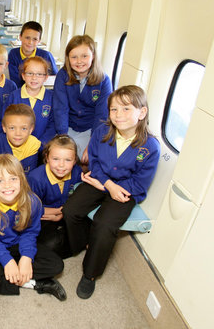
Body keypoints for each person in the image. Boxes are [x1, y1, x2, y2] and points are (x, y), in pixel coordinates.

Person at [63, 85, 160, 299]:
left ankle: (90, 274)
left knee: (104, 224)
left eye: (126, 109)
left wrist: (111, 187)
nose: (118, 115)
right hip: (101, 180)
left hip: (126, 191)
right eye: (114, 109)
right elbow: (95, 164)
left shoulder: (150, 146)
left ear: (142, 113)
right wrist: (106, 183)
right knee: (70, 210)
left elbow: (140, 184)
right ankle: (81, 244)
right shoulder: (102, 132)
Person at [0, 154, 66, 302]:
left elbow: (30, 232)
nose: (7, 185)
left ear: (21, 179)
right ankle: (33, 283)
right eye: (0, 180)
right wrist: (7, 261)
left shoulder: (33, 202)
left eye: (13, 179)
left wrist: (26, 258)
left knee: (56, 265)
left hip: (18, 242)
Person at [53, 35, 112, 163]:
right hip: (66, 126)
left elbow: (102, 115)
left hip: (90, 129)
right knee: (60, 156)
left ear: (93, 56)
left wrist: (93, 143)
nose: (79, 61)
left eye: (84, 56)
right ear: (68, 59)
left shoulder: (103, 80)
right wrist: (63, 138)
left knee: (88, 158)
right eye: (74, 57)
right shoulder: (62, 76)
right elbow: (60, 108)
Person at [28, 134, 82, 258]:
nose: (61, 165)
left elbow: (80, 199)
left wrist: (63, 213)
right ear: (47, 158)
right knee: (50, 245)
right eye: (56, 159)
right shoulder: (35, 178)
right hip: (44, 217)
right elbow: (30, 209)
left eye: (68, 160)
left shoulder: (77, 172)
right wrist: (56, 213)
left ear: (74, 161)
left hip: (68, 213)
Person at [5, 56, 56, 145]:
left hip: (41, 147)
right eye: (30, 73)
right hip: (16, 146)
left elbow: (52, 125)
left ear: (46, 77)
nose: (34, 78)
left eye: (39, 74)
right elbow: (4, 120)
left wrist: (40, 144)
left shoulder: (51, 98)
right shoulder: (14, 96)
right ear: (23, 76)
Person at [0, 104, 40, 175]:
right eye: (12, 128)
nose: (18, 133)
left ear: (31, 129)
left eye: (23, 128)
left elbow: (30, 176)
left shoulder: (33, 144)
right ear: (4, 128)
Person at [7, 21, 59, 87]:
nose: (30, 42)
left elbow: (54, 79)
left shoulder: (46, 56)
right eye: (27, 38)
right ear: (20, 37)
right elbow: (15, 81)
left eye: (35, 39)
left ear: (39, 41)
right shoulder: (13, 54)